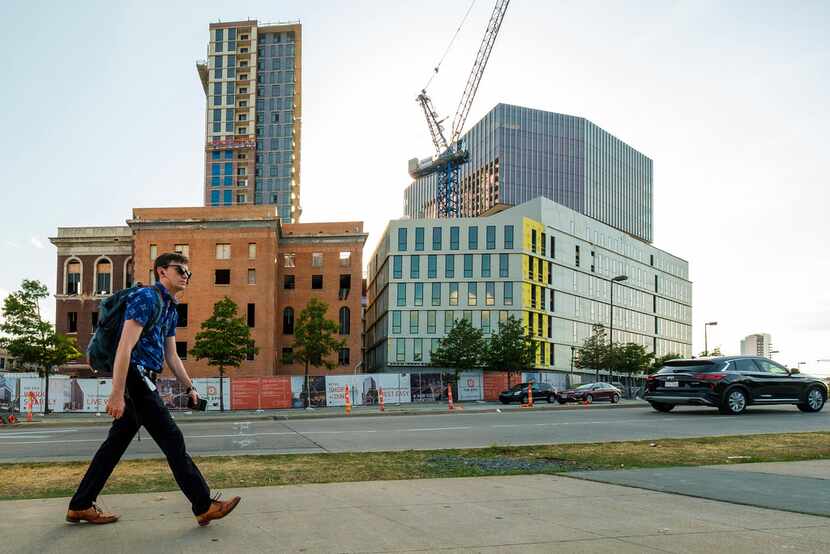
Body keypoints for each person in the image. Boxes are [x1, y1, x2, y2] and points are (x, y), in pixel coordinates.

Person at [66, 252, 240, 527]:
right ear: (161, 272)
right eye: (180, 270)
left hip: (146, 377)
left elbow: (172, 355)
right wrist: (116, 392)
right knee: (172, 438)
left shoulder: (170, 307)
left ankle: (80, 505)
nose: (186, 276)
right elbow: (124, 347)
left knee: (114, 445)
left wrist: (190, 387)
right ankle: (203, 505)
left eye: (188, 273)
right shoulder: (146, 298)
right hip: (135, 376)